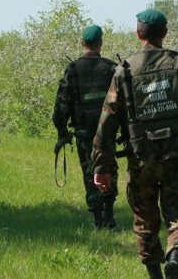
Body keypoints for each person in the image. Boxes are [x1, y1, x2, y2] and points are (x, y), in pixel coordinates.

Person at [91, 9, 178, 279]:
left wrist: (101, 167)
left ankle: (156, 275)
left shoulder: (125, 70)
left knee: (145, 221)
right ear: (165, 33)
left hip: (141, 159)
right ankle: (176, 258)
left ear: (139, 34)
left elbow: (107, 122)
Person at [52, 24, 119, 229]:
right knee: (108, 168)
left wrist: (62, 132)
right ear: (100, 43)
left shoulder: (73, 70)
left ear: (82, 43)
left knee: (90, 172)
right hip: (107, 132)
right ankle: (109, 216)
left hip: (84, 133)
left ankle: (98, 220)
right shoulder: (111, 68)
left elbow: (61, 105)